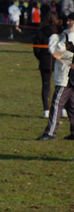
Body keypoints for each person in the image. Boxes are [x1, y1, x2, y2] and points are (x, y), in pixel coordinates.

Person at [37, 12, 74, 140]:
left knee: (57, 104)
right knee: (71, 106)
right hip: (69, 75)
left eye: (70, 21)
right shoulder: (66, 34)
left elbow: (56, 51)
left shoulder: (69, 36)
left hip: (66, 75)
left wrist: (53, 35)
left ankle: (50, 132)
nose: (68, 23)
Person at [33, 12, 60, 118]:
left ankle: (46, 110)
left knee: (46, 86)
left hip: (45, 61)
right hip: (57, 60)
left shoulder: (40, 32)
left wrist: (42, 58)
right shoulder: (59, 32)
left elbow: (36, 50)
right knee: (60, 85)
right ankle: (62, 109)